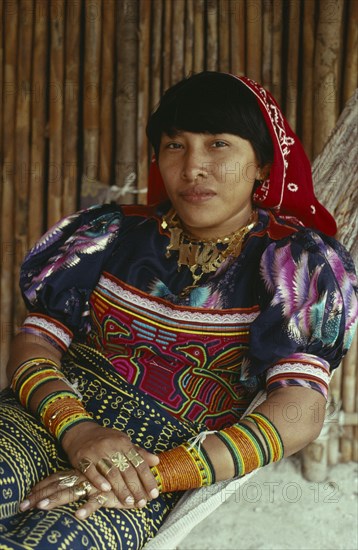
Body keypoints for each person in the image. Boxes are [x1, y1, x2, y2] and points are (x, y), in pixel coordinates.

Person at [0, 72, 357, 549]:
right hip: (50, 415)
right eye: (175, 145)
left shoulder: (295, 265)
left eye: (218, 145)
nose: (193, 167)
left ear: (262, 164)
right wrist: (78, 430)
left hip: (160, 463)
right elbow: (36, 340)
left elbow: (300, 411)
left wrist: (153, 476)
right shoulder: (109, 234)